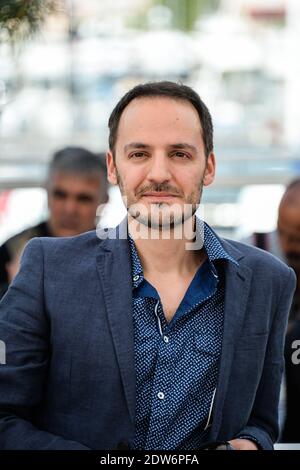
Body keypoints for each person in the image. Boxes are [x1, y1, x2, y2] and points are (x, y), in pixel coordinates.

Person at [0, 81, 296, 450]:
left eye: (180, 154)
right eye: (139, 154)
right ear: (113, 166)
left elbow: (262, 422)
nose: (158, 174)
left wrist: (244, 445)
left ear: (209, 167)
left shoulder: (268, 280)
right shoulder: (49, 268)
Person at [0, 146, 108, 298]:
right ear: (46, 191)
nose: (70, 209)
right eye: (60, 195)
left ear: (104, 200)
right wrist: (14, 291)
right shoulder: (11, 252)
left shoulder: (118, 257)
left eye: (83, 198)